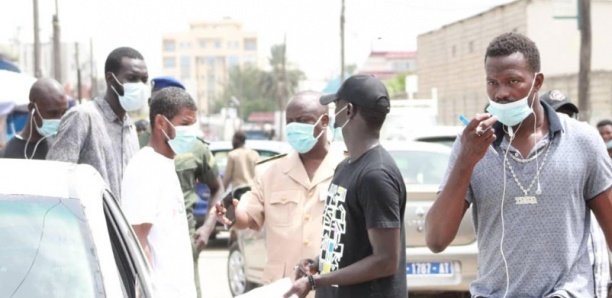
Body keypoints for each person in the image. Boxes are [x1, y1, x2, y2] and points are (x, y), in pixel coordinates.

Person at [426, 32, 612, 297]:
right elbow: (436, 239)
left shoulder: (582, 140)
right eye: (493, 83)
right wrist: (465, 162)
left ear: (537, 82)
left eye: (513, 81)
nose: (501, 93)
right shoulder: (471, 145)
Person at [284, 75, 407, 298]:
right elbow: (345, 241)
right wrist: (318, 263)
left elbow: (386, 261)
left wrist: (315, 281)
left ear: (348, 111)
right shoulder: (345, 167)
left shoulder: (375, 175)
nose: (333, 113)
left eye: (336, 106)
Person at [216, 91, 344, 287]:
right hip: (284, 286)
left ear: (325, 121)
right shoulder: (269, 172)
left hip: (332, 285)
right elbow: (248, 217)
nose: (295, 127)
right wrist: (231, 214)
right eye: (290, 122)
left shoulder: (347, 167)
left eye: (303, 120)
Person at [146, 76, 224, 298]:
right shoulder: (138, 144)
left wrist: (207, 227)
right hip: (149, 239)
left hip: (185, 238)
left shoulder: (195, 147)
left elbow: (217, 187)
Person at [121, 87, 198, 297]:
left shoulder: (164, 164)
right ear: (161, 123)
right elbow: (138, 240)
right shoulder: (145, 166)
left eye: (194, 125)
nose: (191, 132)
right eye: (185, 124)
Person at [47, 47, 149, 201]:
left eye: (144, 79)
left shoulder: (130, 127)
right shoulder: (82, 117)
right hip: (88, 223)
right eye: (132, 78)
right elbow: (56, 177)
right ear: (110, 79)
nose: (140, 85)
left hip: (122, 224)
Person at [542, 89, 610, 297]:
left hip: (596, 279)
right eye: (558, 114)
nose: (565, 120)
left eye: (569, 115)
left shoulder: (590, 157)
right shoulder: (541, 168)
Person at [0, 78, 68, 159]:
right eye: (52, 113)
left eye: (63, 112)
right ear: (32, 108)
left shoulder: (62, 149)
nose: (59, 119)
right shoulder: (7, 155)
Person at [222, 131, 259, 199]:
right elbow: (259, 174)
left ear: (236, 140)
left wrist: (221, 192)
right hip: (253, 191)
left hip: (238, 192)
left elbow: (227, 177)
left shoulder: (232, 155)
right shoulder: (254, 154)